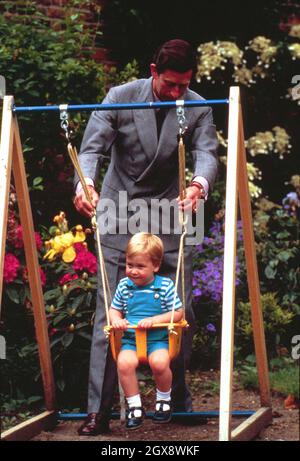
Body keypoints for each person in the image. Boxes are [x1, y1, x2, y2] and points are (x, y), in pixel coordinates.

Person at [75, 39, 219, 436]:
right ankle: (98, 411)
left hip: (171, 213)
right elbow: (90, 150)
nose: (178, 93)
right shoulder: (119, 97)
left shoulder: (198, 103)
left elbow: (207, 153)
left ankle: (178, 403)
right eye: (171, 84)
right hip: (119, 209)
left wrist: (198, 186)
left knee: (181, 313)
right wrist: (85, 184)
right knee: (111, 316)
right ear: (154, 71)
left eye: (184, 85)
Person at [110, 232, 183, 429]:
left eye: (140, 266)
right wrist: (116, 320)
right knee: (124, 364)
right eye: (130, 265)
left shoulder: (165, 286)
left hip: (158, 340)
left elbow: (178, 313)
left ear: (156, 266)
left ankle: (163, 401)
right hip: (130, 341)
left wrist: (155, 319)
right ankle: (135, 407)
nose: (133, 271)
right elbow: (114, 309)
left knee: (159, 363)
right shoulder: (124, 286)